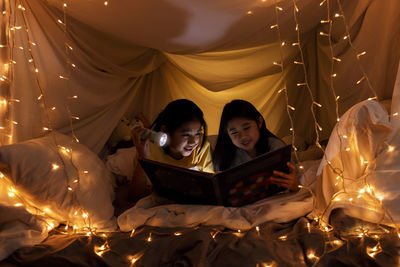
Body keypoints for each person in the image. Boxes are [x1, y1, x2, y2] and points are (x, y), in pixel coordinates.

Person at [115, 99, 214, 214]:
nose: (193, 141)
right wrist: (143, 157)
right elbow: (136, 196)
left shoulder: (202, 146)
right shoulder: (149, 148)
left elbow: (209, 187)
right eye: (186, 134)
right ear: (165, 130)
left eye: (198, 133)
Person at [213, 99, 299, 192]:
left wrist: (294, 185)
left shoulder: (275, 147)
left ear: (259, 122)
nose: (243, 137)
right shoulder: (225, 157)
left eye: (246, 128)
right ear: (227, 135)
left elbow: (295, 179)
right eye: (234, 132)